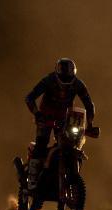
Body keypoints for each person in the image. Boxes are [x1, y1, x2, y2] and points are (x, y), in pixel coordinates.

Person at [24, 58, 95, 191]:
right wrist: (37, 114)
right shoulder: (48, 81)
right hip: (45, 117)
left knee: (70, 145)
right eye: (63, 76)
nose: (65, 80)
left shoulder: (78, 84)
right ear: (57, 74)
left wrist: (89, 124)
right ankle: (32, 179)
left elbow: (89, 105)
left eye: (68, 77)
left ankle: (64, 174)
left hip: (65, 119)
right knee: (41, 144)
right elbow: (29, 97)